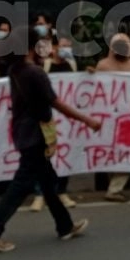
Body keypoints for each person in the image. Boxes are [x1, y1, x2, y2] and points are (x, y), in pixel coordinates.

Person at [0, 27, 101, 253]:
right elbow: (56, 103)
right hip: (35, 135)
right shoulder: (34, 73)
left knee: (47, 182)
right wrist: (88, 120)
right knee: (21, 185)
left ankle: (65, 226)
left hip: (25, 132)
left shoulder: (15, 69)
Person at [29, 34, 76, 211]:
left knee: (67, 153)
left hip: (67, 118)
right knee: (45, 154)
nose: (67, 49)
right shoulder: (44, 65)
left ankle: (62, 191)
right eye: (64, 45)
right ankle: (40, 194)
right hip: (48, 117)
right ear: (54, 48)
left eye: (69, 46)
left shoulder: (71, 65)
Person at [99, 34, 130, 202]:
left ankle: (115, 188)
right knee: (109, 152)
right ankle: (112, 186)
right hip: (107, 116)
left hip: (128, 116)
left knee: (127, 151)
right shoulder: (103, 65)